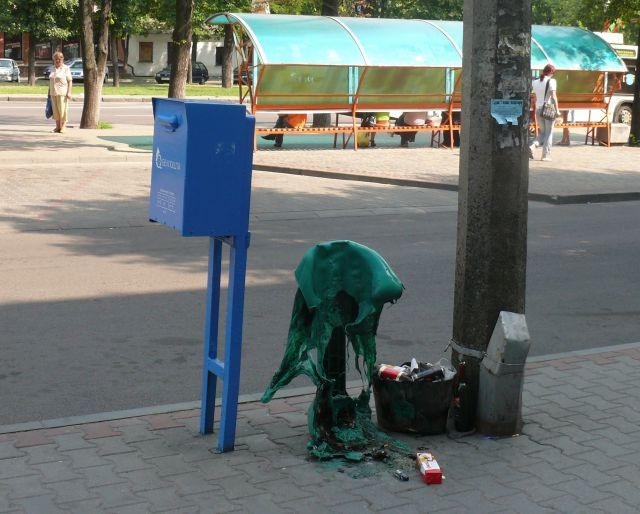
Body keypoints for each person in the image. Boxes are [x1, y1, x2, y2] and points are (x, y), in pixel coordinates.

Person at [530, 64, 558, 162]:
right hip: (548, 109)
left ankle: (533, 146)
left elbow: (534, 96)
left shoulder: (535, 82)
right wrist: (557, 110)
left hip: (538, 109)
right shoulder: (552, 81)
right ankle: (545, 155)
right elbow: (553, 96)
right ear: (551, 72)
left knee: (542, 132)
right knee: (549, 133)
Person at [48, 51, 72, 133]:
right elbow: (51, 81)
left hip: (62, 93)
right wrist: (49, 93)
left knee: (62, 111)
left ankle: (63, 127)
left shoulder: (66, 68)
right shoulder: (52, 68)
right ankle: (57, 127)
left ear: (62, 59)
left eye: (59, 59)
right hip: (53, 93)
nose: (57, 60)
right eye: (56, 59)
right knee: (55, 111)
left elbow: (70, 81)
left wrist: (69, 92)